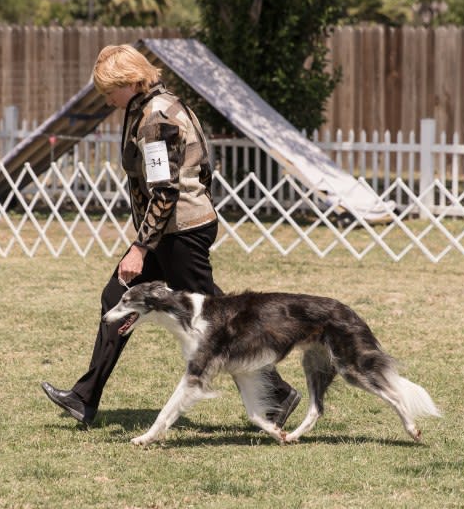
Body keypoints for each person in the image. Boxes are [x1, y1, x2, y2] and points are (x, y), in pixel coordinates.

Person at [41, 44, 300, 430]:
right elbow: (204, 170)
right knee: (117, 297)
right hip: (172, 229)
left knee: (216, 323)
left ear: (130, 81)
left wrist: (140, 247)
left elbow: (164, 192)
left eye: (109, 89)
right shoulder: (153, 106)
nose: (106, 98)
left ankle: (278, 394)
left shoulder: (157, 118)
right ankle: (84, 397)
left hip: (179, 232)